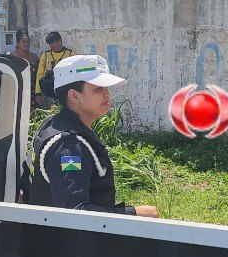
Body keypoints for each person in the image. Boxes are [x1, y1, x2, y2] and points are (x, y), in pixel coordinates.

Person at [29, 55, 158, 217]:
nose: (107, 94)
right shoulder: (68, 146)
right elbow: (74, 213)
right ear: (74, 96)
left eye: (106, 88)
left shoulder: (53, 123)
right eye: (98, 89)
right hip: (67, 241)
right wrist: (134, 213)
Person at [34, 31, 74, 108]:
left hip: (65, 91)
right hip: (48, 92)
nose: (51, 46)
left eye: (53, 43)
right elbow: (40, 74)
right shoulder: (45, 55)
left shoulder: (70, 55)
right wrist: (37, 93)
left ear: (59, 41)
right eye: (49, 44)